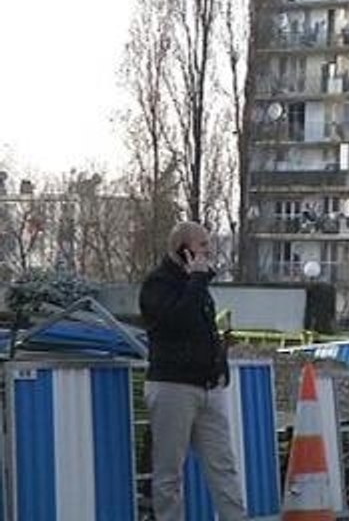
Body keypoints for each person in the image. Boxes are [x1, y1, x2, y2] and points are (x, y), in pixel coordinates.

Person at [139, 221, 246, 521]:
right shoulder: (158, 284)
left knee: (223, 465)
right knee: (169, 471)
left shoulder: (199, 287)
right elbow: (174, 323)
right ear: (183, 250)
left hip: (208, 386)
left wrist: (220, 366)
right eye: (202, 245)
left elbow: (204, 331)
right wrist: (196, 280)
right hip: (173, 386)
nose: (208, 251)